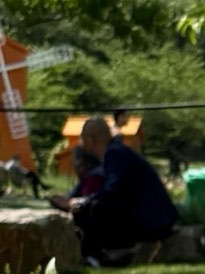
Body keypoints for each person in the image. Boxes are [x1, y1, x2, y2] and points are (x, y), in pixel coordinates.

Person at [57, 113, 178, 265]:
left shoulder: (115, 154)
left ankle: (93, 258)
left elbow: (110, 192)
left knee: (92, 207)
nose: (81, 144)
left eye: (83, 139)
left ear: (92, 139)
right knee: (91, 205)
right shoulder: (116, 152)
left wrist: (79, 202)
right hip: (153, 217)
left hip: (153, 221)